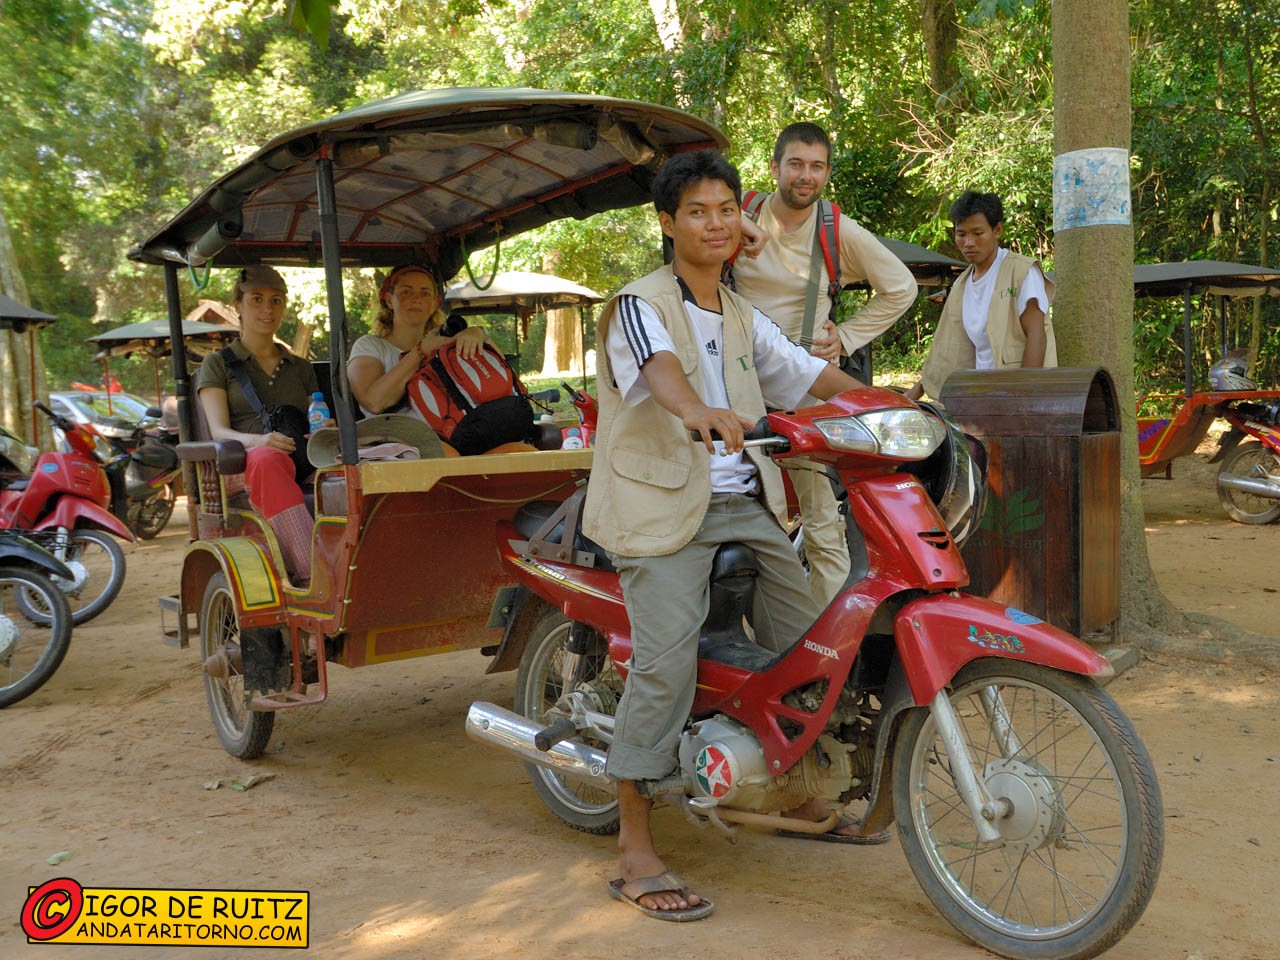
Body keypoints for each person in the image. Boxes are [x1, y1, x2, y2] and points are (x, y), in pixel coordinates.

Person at [582, 149, 881, 924]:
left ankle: (797, 787)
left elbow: (810, 378)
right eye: (698, 212)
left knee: (813, 641)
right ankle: (636, 847)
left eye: (726, 210)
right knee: (667, 661)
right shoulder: (637, 304)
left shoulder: (744, 315)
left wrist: (893, 408)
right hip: (661, 509)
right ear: (667, 224)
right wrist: (695, 412)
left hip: (743, 501)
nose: (716, 224)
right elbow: (663, 372)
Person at [731, 122, 917, 608]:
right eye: (795, 164)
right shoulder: (740, 213)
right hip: (735, 382)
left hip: (803, 387)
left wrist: (847, 337)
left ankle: (824, 638)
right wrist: (735, 225)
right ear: (775, 168)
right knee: (744, 503)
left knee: (818, 515)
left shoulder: (837, 230)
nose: (805, 175)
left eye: (816, 167)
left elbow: (901, 287)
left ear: (827, 173)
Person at [197, 265, 318, 586]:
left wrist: (324, 429)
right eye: (257, 299)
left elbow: (313, 419)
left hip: (301, 460)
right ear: (238, 304)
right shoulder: (218, 363)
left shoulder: (300, 367)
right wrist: (258, 441)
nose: (268, 308)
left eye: (276, 300)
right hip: (244, 465)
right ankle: (311, 573)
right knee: (268, 460)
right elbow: (219, 431)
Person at [347, 264, 534, 455]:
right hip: (399, 439)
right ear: (388, 299)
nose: (416, 299)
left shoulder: (448, 342)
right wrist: (421, 351)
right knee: (445, 453)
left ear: (435, 302)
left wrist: (479, 335)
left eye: (425, 293)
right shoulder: (370, 345)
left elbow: (502, 384)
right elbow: (374, 402)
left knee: (524, 452)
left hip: (463, 432)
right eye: (406, 291)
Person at [906, 190, 1056, 401]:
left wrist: (1024, 397)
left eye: (977, 233)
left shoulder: (1021, 271)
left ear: (997, 230)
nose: (968, 242)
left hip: (1018, 397)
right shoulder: (962, 284)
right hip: (984, 398)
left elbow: (1036, 335)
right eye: (961, 234)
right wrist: (919, 389)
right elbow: (948, 347)